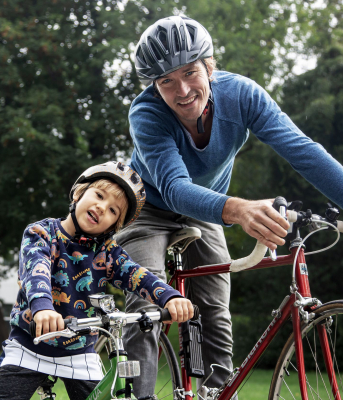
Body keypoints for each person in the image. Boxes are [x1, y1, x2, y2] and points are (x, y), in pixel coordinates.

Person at [115, 15, 343, 398]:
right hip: (148, 208)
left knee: (214, 304)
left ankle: (219, 392)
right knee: (147, 298)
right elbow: (173, 187)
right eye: (166, 81)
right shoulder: (147, 114)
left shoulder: (242, 95)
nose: (182, 90)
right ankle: (140, 395)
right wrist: (239, 209)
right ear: (155, 86)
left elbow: (302, 151)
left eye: (190, 72)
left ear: (209, 66)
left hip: (206, 210)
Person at [0, 161, 194, 400]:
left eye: (114, 210)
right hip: (29, 345)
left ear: (114, 226)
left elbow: (138, 275)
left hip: (79, 352)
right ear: (78, 193)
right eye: (99, 195)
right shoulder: (42, 234)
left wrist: (169, 296)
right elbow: (36, 271)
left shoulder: (107, 253)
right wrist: (42, 307)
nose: (103, 207)